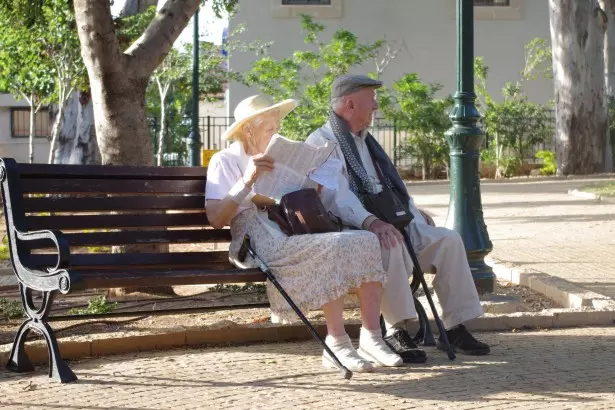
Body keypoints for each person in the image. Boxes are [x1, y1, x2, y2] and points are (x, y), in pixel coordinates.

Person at [205, 94, 405, 372]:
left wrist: (313, 184)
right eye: (269, 128)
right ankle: (337, 343)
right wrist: (247, 180)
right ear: (248, 129)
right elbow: (216, 218)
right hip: (255, 239)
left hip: (290, 228)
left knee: (365, 239)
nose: (276, 133)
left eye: (277, 127)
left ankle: (371, 337)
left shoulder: (278, 156)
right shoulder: (224, 160)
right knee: (332, 246)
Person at [305, 74, 491, 362]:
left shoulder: (366, 141)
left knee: (448, 240)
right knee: (390, 243)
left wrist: (414, 215)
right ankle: (396, 329)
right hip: (356, 229)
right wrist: (371, 222)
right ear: (350, 104)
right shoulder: (322, 142)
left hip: (390, 222)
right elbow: (336, 198)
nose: (376, 106)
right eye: (371, 100)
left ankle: (455, 327)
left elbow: (390, 188)